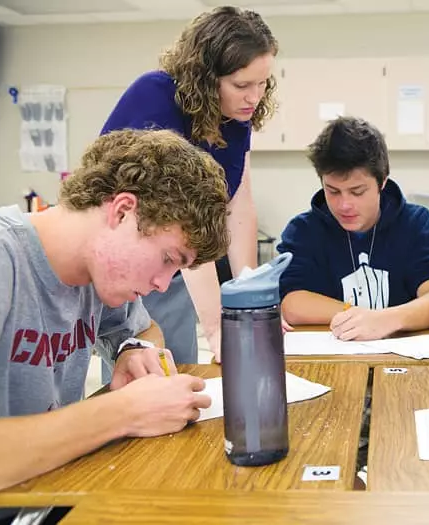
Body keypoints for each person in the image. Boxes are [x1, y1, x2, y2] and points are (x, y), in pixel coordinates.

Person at [0, 129, 230, 492]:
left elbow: (145, 330)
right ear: (122, 211)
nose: (164, 284)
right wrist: (125, 411)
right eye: (167, 259)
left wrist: (134, 352)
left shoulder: (96, 275)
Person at [101, 6, 278, 363]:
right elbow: (176, 222)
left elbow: (238, 207)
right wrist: (216, 326)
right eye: (242, 85)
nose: (254, 97)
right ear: (205, 77)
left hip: (178, 265)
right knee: (149, 372)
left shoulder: (235, 115)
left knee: (180, 368)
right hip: (132, 261)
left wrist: (248, 299)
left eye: (262, 83)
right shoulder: (155, 97)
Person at [277, 117, 429, 341]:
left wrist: (386, 320)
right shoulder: (303, 231)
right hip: (332, 359)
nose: (344, 205)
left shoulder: (416, 224)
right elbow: (292, 303)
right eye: (332, 191)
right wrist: (358, 317)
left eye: (357, 191)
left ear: (382, 182)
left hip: (401, 360)